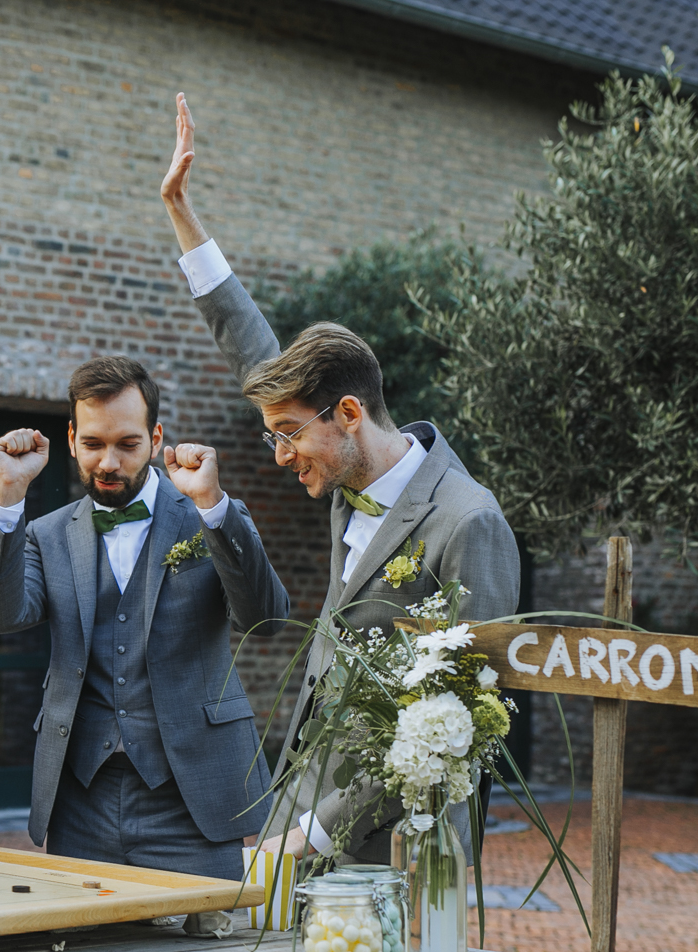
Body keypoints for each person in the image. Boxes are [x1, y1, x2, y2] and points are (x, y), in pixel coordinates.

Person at [158, 93, 521, 863]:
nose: (281, 455)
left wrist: (314, 834)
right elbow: (253, 352)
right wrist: (181, 211)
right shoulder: (349, 475)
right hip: (303, 787)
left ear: (349, 411)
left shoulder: (468, 521)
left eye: (291, 436)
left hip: (398, 838)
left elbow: (459, 716)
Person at [0, 355, 289, 889]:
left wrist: (212, 504)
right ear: (71, 439)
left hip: (193, 798)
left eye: (127, 444)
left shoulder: (204, 513)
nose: (108, 463)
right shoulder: (45, 534)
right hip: (82, 799)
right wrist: (8, 497)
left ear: (156, 436)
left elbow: (266, 617)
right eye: (94, 444)